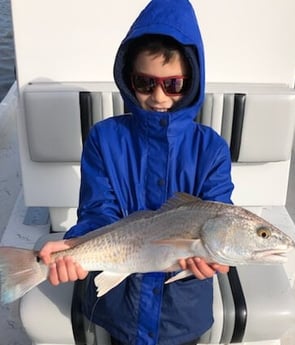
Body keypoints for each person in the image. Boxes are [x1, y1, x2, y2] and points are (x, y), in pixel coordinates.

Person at [39, 0, 234, 344]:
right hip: (119, 310)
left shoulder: (212, 148)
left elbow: (216, 213)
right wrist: (75, 247)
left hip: (182, 314)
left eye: (173, 84)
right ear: (129, 81)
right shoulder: (105, 137)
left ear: (192, 82)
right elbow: (99, 211)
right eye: (145, 83)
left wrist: (213, 257)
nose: (158, 96)